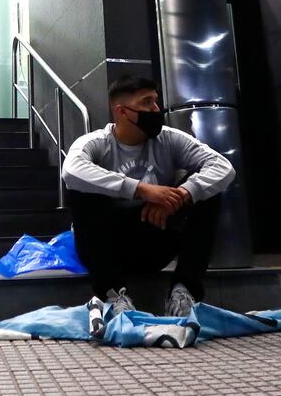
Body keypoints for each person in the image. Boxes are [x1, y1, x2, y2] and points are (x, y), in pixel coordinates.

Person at [62, 75, 235, 317]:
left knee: (205, 190)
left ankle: (183, 292)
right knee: (82, 191)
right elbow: (71, 170)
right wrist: (142, 189)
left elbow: (223, 166)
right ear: (122, 112)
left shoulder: (169, 138)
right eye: (146, 102)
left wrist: (183, 195)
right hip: (108, 247)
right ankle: (113, 295)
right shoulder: (97, 142)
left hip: (156, 237)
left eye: (156, 101)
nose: (156, 109)